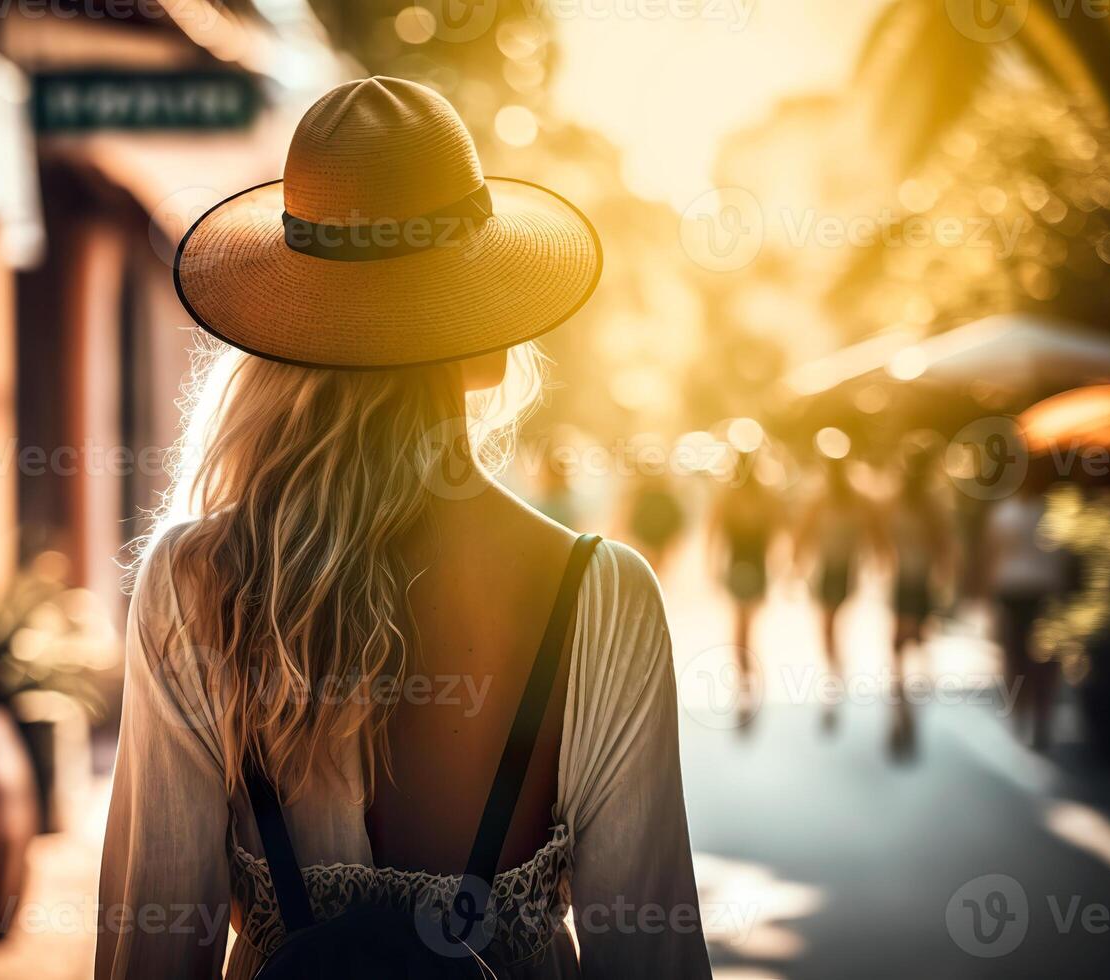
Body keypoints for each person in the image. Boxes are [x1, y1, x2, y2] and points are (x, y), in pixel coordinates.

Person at [96, 78, 710, 978]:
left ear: (290, 316)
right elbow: (649, 959)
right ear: (487, 330)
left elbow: (149, 957)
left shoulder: (194, 585)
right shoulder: (602, 598)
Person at [985, 459, 1070, 750]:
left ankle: (1022, 711)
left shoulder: (1006, 511)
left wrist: (987, 592)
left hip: (1014, 589)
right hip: (1044, 591)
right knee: (1044, 660)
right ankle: (1040, 716)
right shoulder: (1056, 512)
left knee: (1016, 654)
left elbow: (993, 554)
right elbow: (1066, 557)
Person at [793, 456, 877, 729]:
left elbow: (873, 533)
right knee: (829, 628)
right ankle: (835, 669)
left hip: (843, 572)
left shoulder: (855, 503)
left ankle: (835, 672)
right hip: (828, 570)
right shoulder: (822, 503)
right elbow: (803, 532)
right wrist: (797, 562)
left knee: (830, 626)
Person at [884, 445, 953, 758]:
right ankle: (910, 692)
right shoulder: (926, 504)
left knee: (902, 641)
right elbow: (943, 546)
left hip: (908, 579)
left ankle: (904, 693)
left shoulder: (903, 503)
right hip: (917, 579)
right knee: (914, 638)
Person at [707, 456, 776, 702]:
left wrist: (712, 567)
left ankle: (745, 678)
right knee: (746, 628)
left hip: (740, 566)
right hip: (754, 567)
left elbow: (713, 532)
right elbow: (775, 533)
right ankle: (747, 677)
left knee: (740, 628)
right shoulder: (763, 498)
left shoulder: (729, 497)